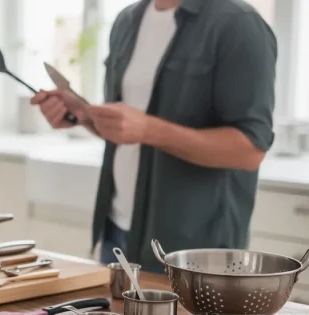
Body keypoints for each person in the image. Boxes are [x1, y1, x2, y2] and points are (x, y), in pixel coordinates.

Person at [32, 0, 277, 272]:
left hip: (192, 250)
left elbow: (250, 149)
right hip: (116, 232)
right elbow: (127, 131)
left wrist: (150, 130)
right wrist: (85, 114)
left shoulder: (238, 24)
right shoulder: (127, 20)